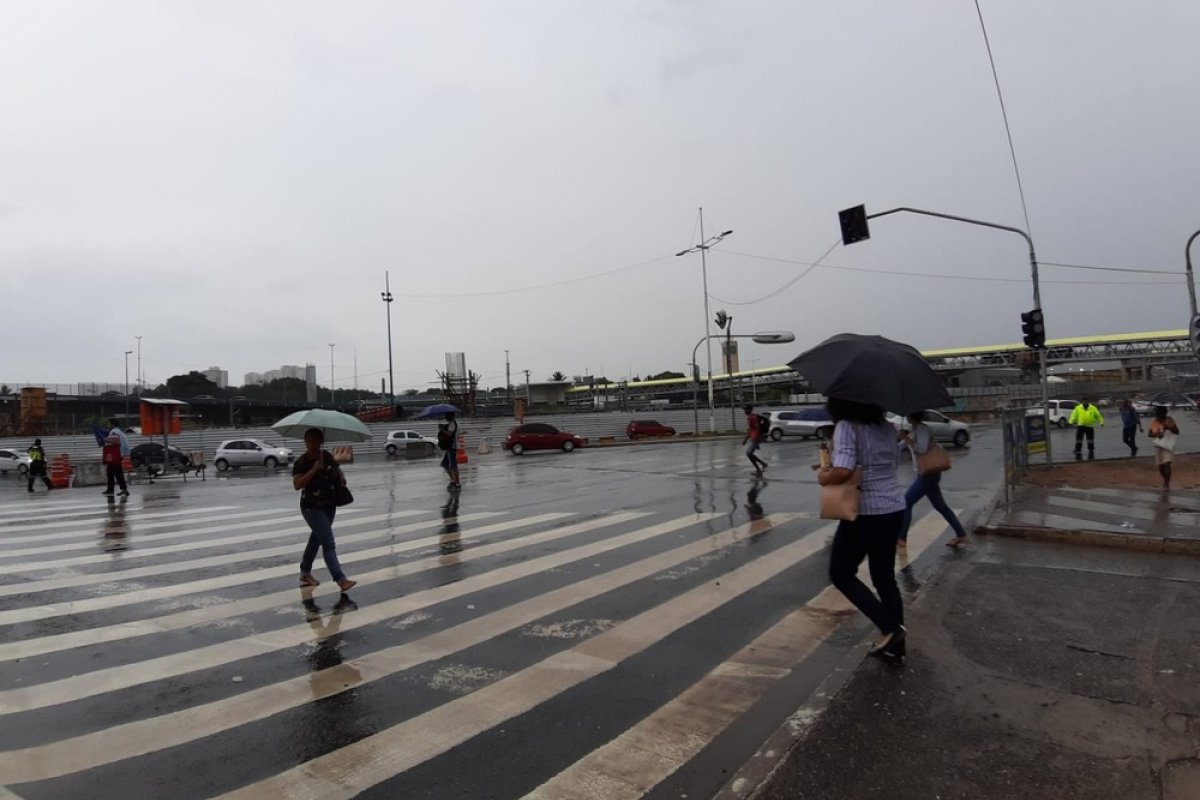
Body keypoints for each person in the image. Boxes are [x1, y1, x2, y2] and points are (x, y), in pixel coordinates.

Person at [818, 397, 907, 663]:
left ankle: (889, 628)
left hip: (865, 511)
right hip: (893, 507)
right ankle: (895, 647)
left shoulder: (847, 426)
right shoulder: (887, 427)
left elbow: (844, 470)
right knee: (885, 578)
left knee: (841, 574)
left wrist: (824, 475)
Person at [292, 428, 356, 592]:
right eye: (309, 440)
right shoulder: (302, 462)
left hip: (329, 505)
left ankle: (305, 572)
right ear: (305, 442)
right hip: (311, 508)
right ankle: (340, 579)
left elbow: (338, 472)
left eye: (316, 440)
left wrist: (340, 477)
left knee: (316, 539)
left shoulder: (327, 456)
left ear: (321, 441)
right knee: (328, 542)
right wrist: (314, 469)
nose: (312, 444)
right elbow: (297, 485)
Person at [898, 413, 967, 549]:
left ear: (911, 415)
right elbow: (900, 447)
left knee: (906, 502)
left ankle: (901, 538)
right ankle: (961, 534)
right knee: (940, 506)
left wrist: (907, 439)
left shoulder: (922, 429)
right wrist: (902, 438)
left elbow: (921, 449)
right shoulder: (915, 430)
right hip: (926, 473)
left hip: (928, 474)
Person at [1147, 406, 1180, 492]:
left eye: (1158, 412)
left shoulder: (1169, 420)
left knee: (1167, 464)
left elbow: (1177, 431)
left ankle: (1166, 483)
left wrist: (1169, 427)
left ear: (1163, 412)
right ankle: (1165, 480)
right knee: (1160, 465)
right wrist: (1157, 434)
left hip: (1168, 444)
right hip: (1158, 444)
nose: (1156, 414)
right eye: (1156, 412)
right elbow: (1149, 434)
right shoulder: (1154, 422)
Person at [741, 405, 769, 477]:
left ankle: (759, 470)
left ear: (750, 410)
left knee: (749, 454)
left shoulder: (752, 418)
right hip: (754, 438)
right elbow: (751, 430)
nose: (744, 411)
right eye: (744, 409)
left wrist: (756, 438)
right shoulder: (750, 417)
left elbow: (757, 428)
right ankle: (763, 464)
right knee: (750, 454)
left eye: (746, 409)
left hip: (755, 438)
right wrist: (746, 439)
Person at [437, 412, 461, 491]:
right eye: (445, 415)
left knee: (453, 466)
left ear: (451, 416)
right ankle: (453, 480)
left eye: (447, 415)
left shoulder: (452, 424)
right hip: (449, 448)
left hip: (452, 447)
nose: (445, 416)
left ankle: (457, 483)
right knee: (445, 464)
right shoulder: (451, 424)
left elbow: (449, 434)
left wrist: (442, 429)